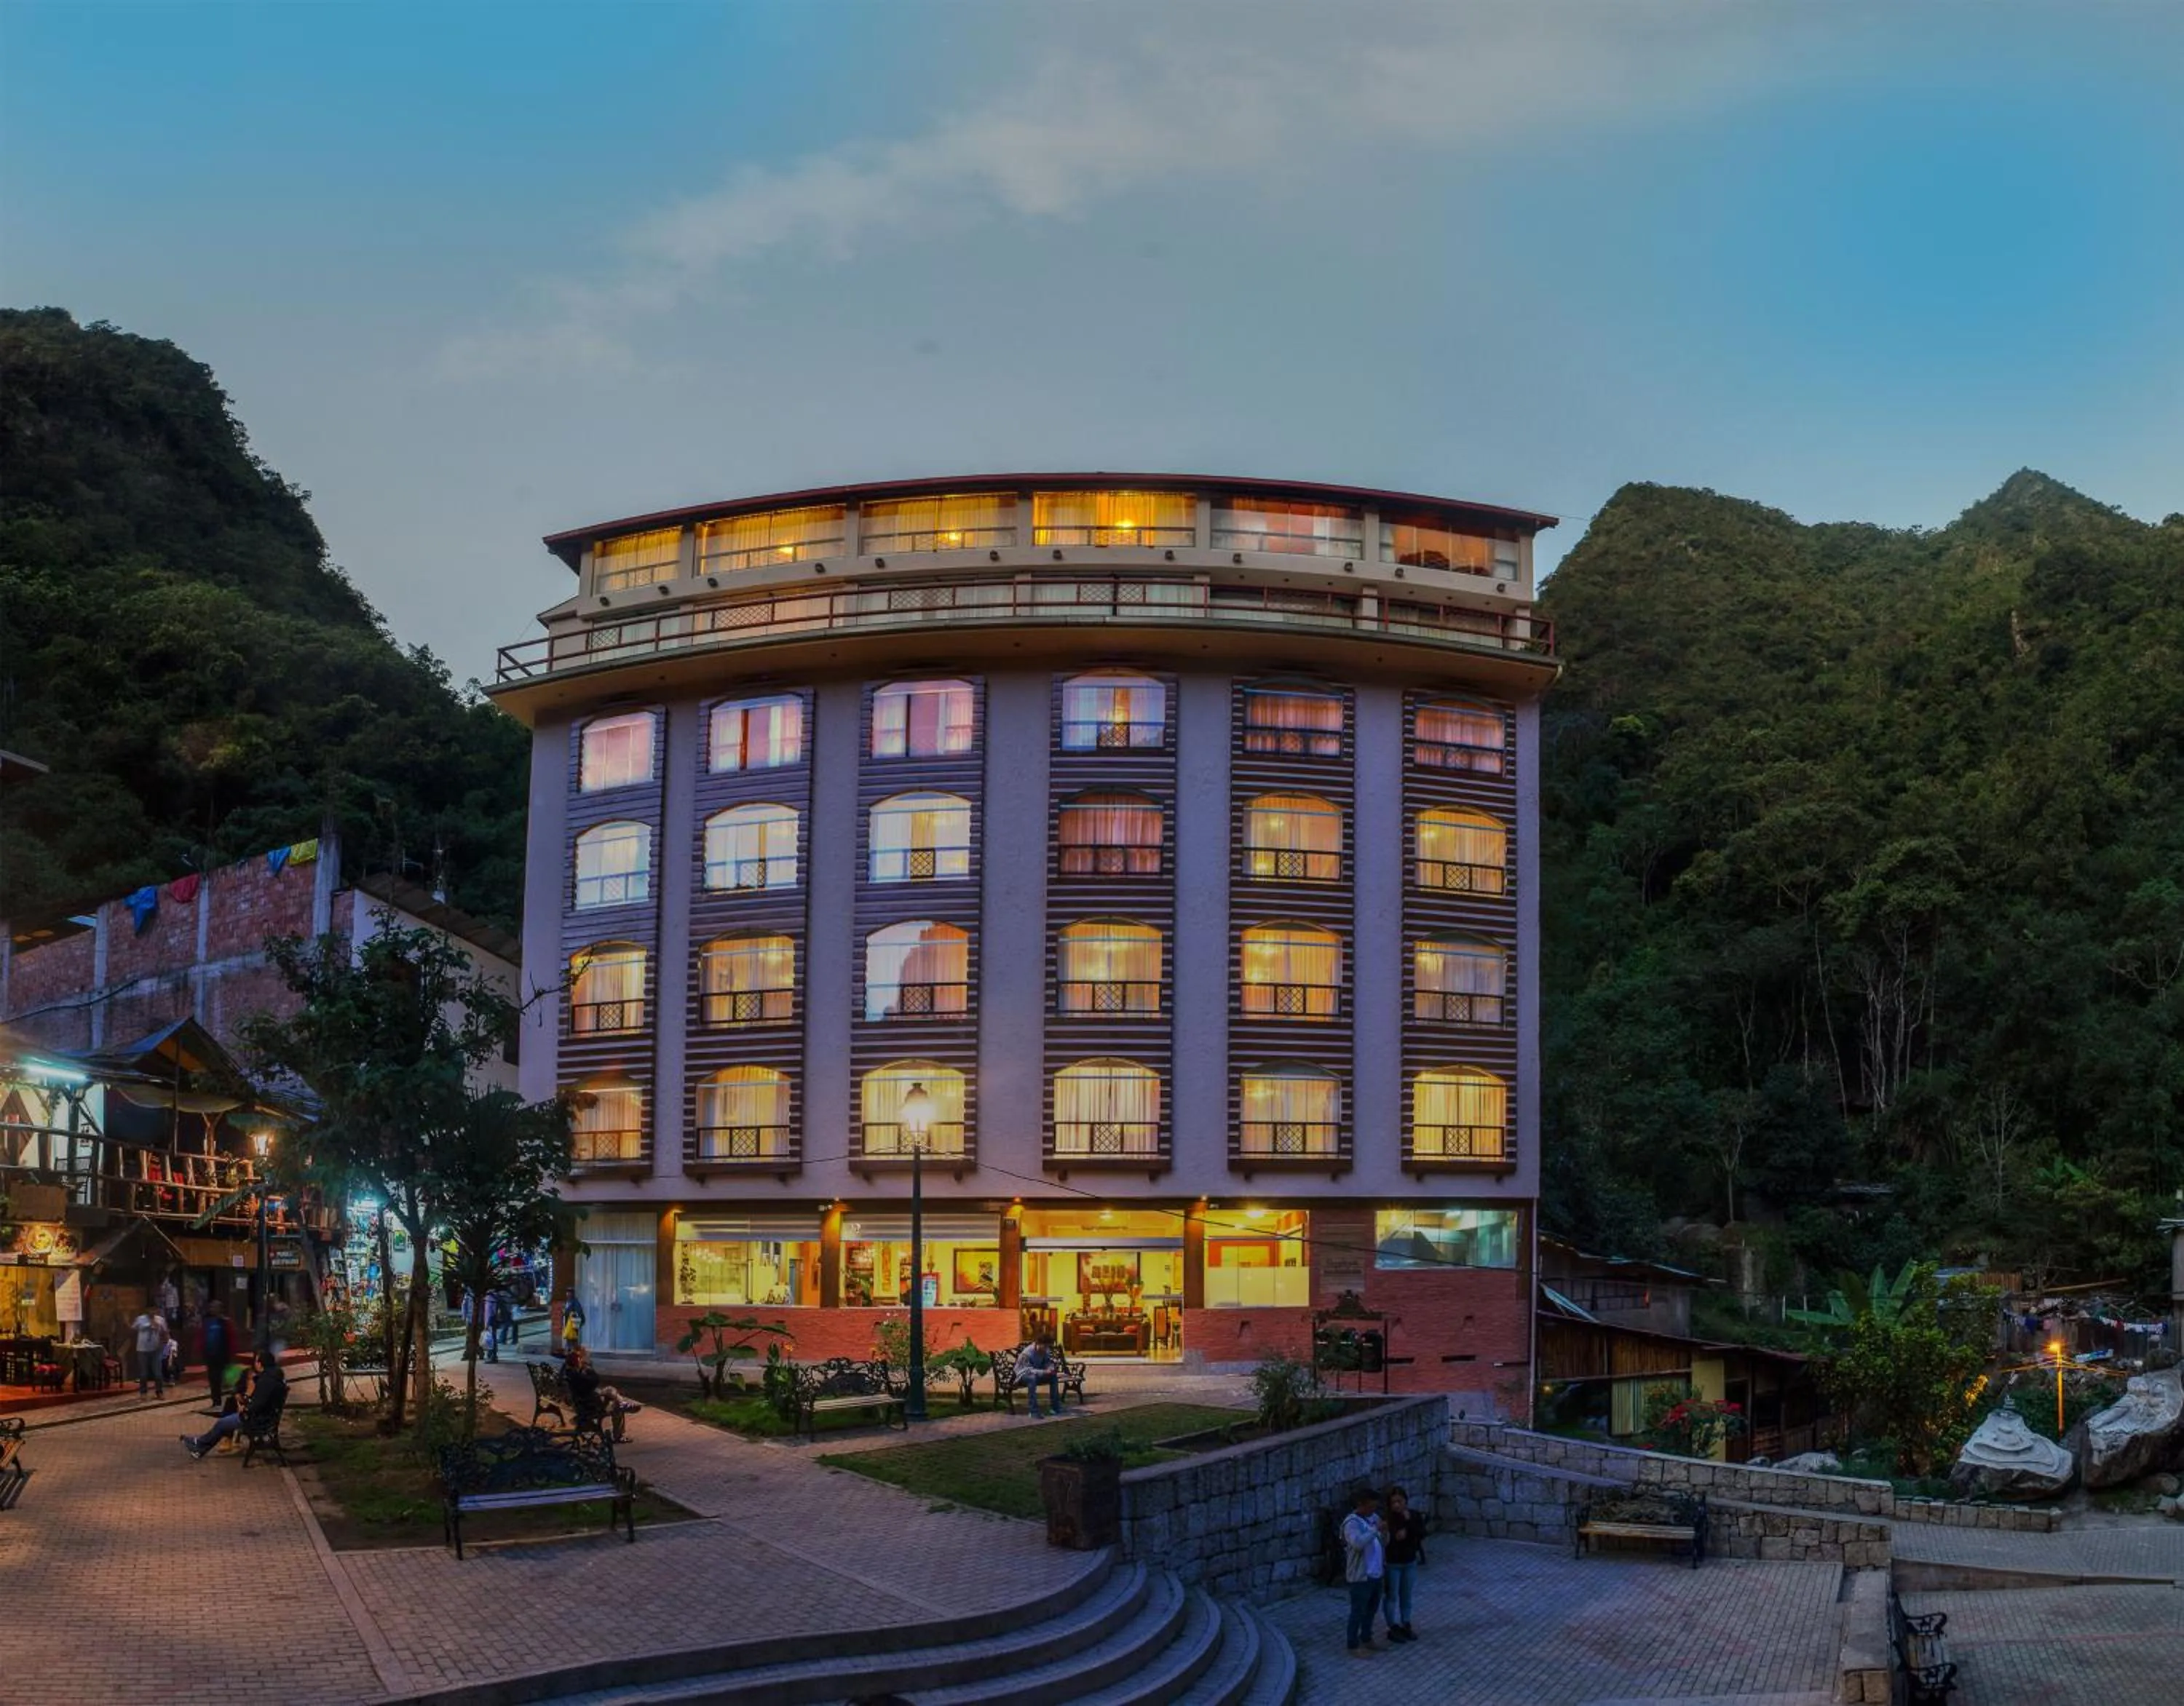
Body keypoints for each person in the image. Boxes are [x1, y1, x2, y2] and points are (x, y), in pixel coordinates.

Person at [179, 1349, 286, 1460]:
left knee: (222, 1423)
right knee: (228, 1411)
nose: (255, 1364)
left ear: (260, 1364)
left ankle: (199, 1446)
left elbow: (259, 1403)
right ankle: (200, 1447)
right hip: (265, 1418)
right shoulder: (275, 1376)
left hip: (258, 1420)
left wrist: (246, 1409)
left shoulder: (266, 1380)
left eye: (256, 1361)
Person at [1340, 1485, 1387, 1657]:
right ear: (1361, 1504)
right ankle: (1352, 1645)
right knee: (1358, 1611)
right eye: (1371, 1507)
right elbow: (1358, 1543)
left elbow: (1382, 1541)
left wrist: (1383, 1532)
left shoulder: (1373, 1518)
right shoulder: (1352, 1523)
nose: (1374, 1510)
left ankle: (1367, 1638)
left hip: (1376, 1573)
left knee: (1372, 1609)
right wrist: (1375, 1530)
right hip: (1361, 1576)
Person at [561, 1345, 642, 1441]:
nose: (582, 1359)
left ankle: (622, 1403)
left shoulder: (569, 1373)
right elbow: (595, 1381)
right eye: (580, 1358)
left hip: (583, 1401)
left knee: (610, 1390)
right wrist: (588, 1369)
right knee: (616, 1404)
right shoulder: (576, 1376)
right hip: (589, 1406)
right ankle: (619, 1433)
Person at [1380, 1485, 1426, 1643]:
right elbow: (1383, 1541)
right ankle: (1391, 1626)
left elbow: (1422, 1534)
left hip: (1409, 1561)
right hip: (1393, 1563)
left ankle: (1406, 1623)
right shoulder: (1386, 1519)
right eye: (1394, 1502)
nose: (1397, 1505)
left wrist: (1409, 1526)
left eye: (1400, 1501)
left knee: (1406, 1596)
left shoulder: (1413, 1516)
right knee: (1392, 1595)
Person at [1016, 1336, 1067, 1419]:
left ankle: (1055, 1407)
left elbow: (1047, 1362)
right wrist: (1044, 1372)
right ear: (1038, 1344)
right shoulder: (1027, 1353)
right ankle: (1034, 1411)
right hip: (1022, 1375)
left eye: (1048, 1347)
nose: (1046, 1349)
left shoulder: (1046, 1351)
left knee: (1053, 1377)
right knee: (1032, 1379)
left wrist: (1050, 1368)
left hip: (1037, 1374)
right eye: (1045, 1346)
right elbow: (1026, 1370)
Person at [130, 1301, 172, 1399]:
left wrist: (166, 1345)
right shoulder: (140, 1319)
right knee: (143, 1373)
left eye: (154, 1309)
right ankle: (143, 1392)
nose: (152, 1311)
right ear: (146, 1310)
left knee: (158, 1372)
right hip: (142, 1349)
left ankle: (159, 1392)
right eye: (150, 1309)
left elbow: (165, 1333)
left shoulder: (160, 1320)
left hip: (156, 1349)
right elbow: (132, 1330)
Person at [200, 1300, 232, 1412]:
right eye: (211, 1307)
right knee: (213, 1379)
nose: (212, 1309)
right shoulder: (207, 1321)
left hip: (222, 1354)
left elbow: (231, 1339)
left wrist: (231, 1354)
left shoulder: (225, 1322)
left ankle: (228, 1402)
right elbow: (202, 1336)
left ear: (220, 1309)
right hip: (210, 1355)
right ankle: (216, 1402)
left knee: (222, 1379)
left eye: (215, 1307)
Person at [559, 1289, 585, 1357]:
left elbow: (579, 1312)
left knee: (573, 1339)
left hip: (573, 1324)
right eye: (567, 1293)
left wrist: (578, 1321)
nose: (568, 1294)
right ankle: (570, 1353)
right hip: (568, 1323)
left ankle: (573, 1353)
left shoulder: (575, 1302)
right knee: (569, 1338)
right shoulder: (568, 1302)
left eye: (570, 1293)